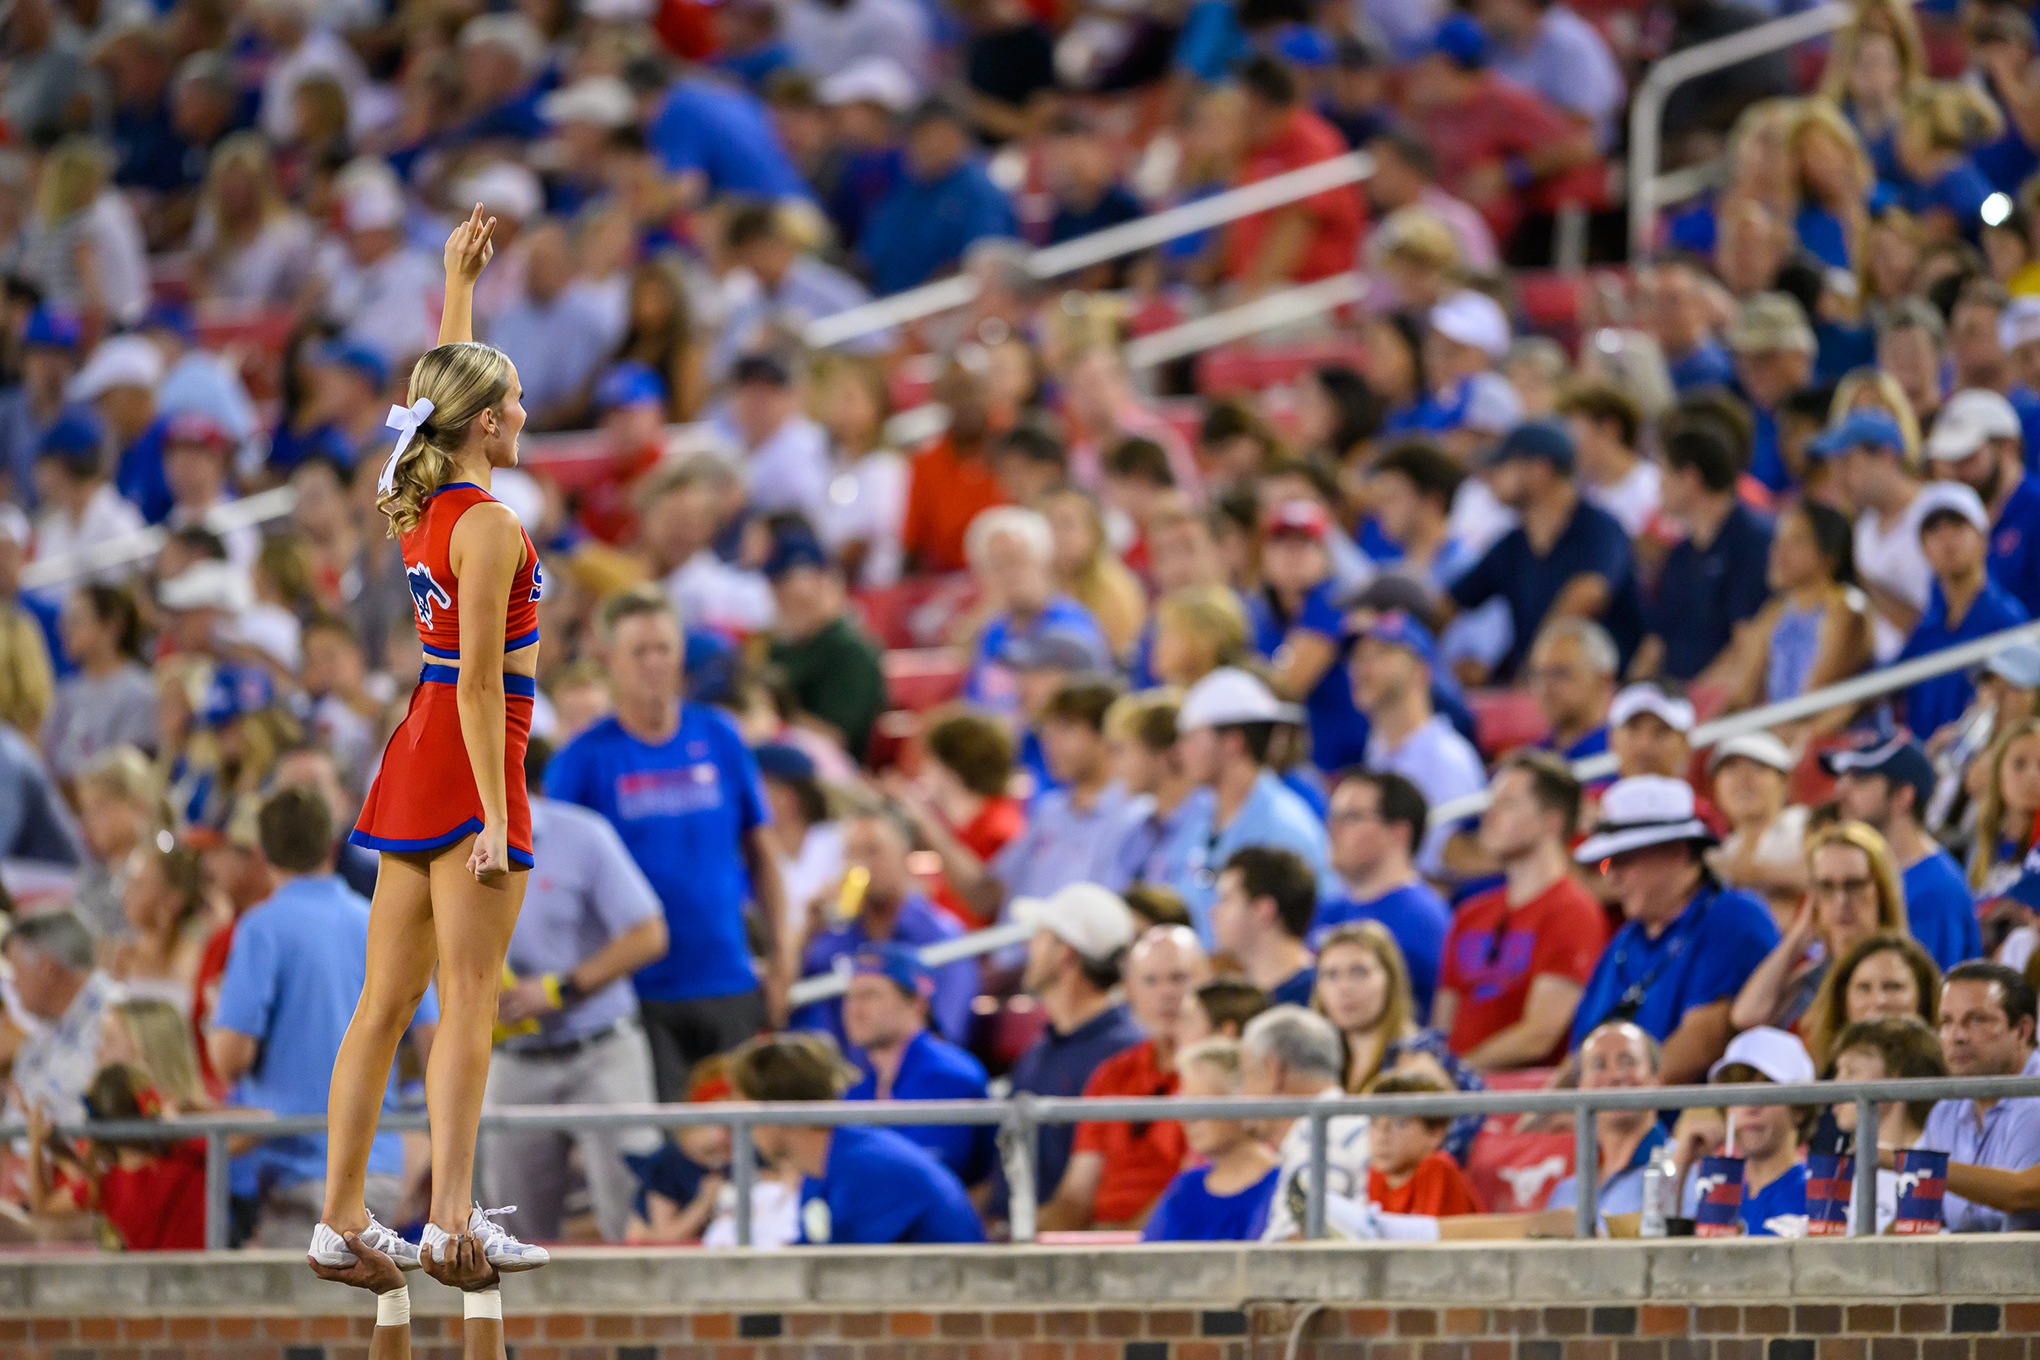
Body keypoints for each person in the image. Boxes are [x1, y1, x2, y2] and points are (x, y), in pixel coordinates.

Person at [311, 207, 550, 1274]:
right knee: (470, 998)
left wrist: (456, 285)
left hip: (411, 746)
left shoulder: (413, 495)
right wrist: (499, 814)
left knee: (383, 1003)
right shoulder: (492, 526)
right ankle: (451, 1214)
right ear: (490, 424)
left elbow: (430, 402)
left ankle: (341, 1213)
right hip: (470, 743)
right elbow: (485, 682)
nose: (527, 409)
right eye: (512, 402)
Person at [545, 586, 790, 1101]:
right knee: (665, 1154)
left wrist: (782, 960)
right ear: (608, 658)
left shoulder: (719, 736)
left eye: (665, 649)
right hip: (636, 993)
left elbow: (762, 854)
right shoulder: (583, 760)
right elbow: (558, 876)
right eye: (640, 652)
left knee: (741, 1143)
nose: (655, 664)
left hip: (727, 976)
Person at [210, 788, 438, 1250]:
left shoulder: (262, 926)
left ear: (262, 854)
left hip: (294, 1170)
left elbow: (230, 1057)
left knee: (302, 1321)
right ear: (332, 846)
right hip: (380, 1168)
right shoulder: (375, 920)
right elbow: (435, 1041)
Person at [481, 742, 671, 1244]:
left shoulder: (582, 836)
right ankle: (515, 1326)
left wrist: (562, 987)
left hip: (601, 1050)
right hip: (511, 1058)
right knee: (507, 1236)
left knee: (635, 1219)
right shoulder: (450, 846)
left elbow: (649, 933)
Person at [1569, 776, 1783, 1083]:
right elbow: (1583, 1050)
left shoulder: (1734, 918)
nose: (1611, 878)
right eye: (1605, 864)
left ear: (1678, 852)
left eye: (1623, 861)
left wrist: (1600, 1107)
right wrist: (1545, 1107)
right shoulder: (1627, 939)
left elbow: (1704, 1040)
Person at [1434, 751, 1607, 1069]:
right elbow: (1442, 1029)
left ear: (1550, 823)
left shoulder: (1573, 911)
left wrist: (1452, 1076)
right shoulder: (1469, 913)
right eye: (1491, 804)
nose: (1489, 816)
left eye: (1507, 804)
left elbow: (1539, 1036)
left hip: (1519, 1099)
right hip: (1457, 1096)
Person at [731, 1032, 985, 1244]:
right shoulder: (822, 1167)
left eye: (745, 1107)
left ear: (777, 1111)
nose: (743, 1128)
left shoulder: (868, 1167)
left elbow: (844, 1279)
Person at [1444, 419, 1646, 682]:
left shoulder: (1599, 528)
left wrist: (1531, 679)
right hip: (1540, 693)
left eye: (1504, 464)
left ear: (1540, 469)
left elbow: (1586, 595)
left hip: (1602, 693)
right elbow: (1447, 605)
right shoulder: (1513, 544)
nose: (1491, 476)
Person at [1043, 925, 1210, 1230]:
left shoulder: (1218, 1080)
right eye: (1150, 981)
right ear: (1130, 989)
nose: (1166, 993)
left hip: (1173, 1241)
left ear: (1205, 982)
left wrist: (1124, 1248)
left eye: (1179, 978)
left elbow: (1193, 1186)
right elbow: (1077, 1190)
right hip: (1103, 1240)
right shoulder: (1112, 1074)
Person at [1003, 883, 1146, 1217]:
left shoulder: (1124, 1055)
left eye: (1040, 937)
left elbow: (1091, 1195)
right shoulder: (1042, 1046)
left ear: (1064, 951)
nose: (1029, 947)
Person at [1161, 667, 1335, 938]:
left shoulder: (1284, 827)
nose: (1180, 751)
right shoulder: (1197, 816)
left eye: (1191, 738)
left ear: (1233, 742)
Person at [796, 808, 977, 1049]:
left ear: (905, 855)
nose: (859, 865)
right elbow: (788, 1004)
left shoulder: (941, 936)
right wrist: (808, 928)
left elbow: (949, 1033)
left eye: (873, 851)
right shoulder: (836, 937)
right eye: (851, 854)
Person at [1731, 821, 1911, 1044]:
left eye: (1853, 885)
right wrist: (1800, 932)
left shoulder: (1905, 973)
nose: (1841, 901)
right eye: (1826, 887)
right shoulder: (1812, 978)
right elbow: (1746, 1016)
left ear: (1882, 890)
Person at [841, 943, 995, 1187]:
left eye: (870, 995)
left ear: (917, 1003)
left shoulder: (948, 1076)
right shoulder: (861, 1086)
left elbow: (925, 1182)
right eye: (850, 997)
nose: (854, 1009)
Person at [1826, 737, 1985, 970]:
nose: (1842, 793)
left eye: (1860, 780)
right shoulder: (1886, 873)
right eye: (1844, 780)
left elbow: (1927, 993)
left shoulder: (1936, 891)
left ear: (1903, 796)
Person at [1639, 424, 1775, 685]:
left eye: (1664, 474)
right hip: (1675, 704)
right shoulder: (1679, 556)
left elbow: (1747, 648)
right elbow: (1655, 643)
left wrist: (1694, 703)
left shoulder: (1753, 542)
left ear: (1690, 478)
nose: (1658, 488)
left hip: (1721, 709)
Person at [1898, 480, 2029, 741]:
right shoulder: (1925, 632)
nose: (1946, 538)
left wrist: (1959, 739)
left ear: (1982, 537)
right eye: (1934, 530)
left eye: (1957, 525)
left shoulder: (2008, 619)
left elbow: (2016, 712)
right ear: (1923, 548)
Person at [1314, 770, 1451, 1020]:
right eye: (1332, 817)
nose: (1333, 830)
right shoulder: (1326, 910)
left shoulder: (1423, 919)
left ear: (1398, 832)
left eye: (1351, 817)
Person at [1918, 961, 2040, 1231]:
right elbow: (1921, 1217)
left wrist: (1909, 1163)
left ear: (2022, 1030)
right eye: (1947, 1022)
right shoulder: (1944, 1111)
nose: (1957, 1036)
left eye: (1976, 1020)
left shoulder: (2035, 1101)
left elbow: (2020, 1195)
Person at [1238, 1005, 1374, 1240]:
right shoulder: (1344, 1124)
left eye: (1246, 1074)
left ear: (1274, 1071)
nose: (1241, 1093)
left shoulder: (1320, 1135)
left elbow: (1300, 1248)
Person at [762, 522, 888, 761]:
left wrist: (774, 716)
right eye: (774, 585)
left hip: (832, 774)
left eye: (783, 585)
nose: (778, 598)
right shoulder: (782, 646)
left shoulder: (850, 651)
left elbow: (836, 738)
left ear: (822, 581)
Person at [1816, 406, 1931, 662]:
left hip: (1936, 667)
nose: (1840, 478)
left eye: (1849, 463)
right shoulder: (1863, 530)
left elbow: (1941, 624)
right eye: (1835, 467)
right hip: (1886, 677)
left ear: (1887, 457)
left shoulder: (1940, 509)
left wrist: (1864, 582)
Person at [1676, 1027, 1814, 1237]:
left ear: (1799, 1109)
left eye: (1767, 1090)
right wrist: (1682, 1162)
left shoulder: (1817, 1195)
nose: (1750, 1106)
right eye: (1738, 1091)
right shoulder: (1720, 1196)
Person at [1140, 1039, 1284, 1241]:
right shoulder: (1186, 1186)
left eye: (1202, 1104)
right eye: (1184, 1104)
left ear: (1243, 1101)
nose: (1189, 1119)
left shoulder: (1281, 1184)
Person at [1926, 387, 2040, 618]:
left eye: (1967, 456)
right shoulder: (1951, 522)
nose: (1956, 471)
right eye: (1949, 460)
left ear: (2007, 446)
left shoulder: (2035, 510)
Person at [2, 911, 124, 1125]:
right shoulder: (42, 1034)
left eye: (17, 971)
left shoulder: (118, 1020)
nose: (13, 984)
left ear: (47, 968)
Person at [1829, 1014, 1947, 1235]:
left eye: (1851, 1072)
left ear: (1896, 1076)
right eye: (1838, 1071)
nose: (1837, 1085)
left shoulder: (1935, 1156)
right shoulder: (1845, 1165)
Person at [1544, 1021, 1669, 1220]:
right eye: (1599, 1065)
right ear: (1581, 1086)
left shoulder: (1683, 1167)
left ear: (1657, 1079)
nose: (1614, 1076)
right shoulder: (1565, 1192)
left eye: (1628, 1062)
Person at [41, 582, 157, 781]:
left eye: (76, 620)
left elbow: (125, 778)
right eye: (65, 621)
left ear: (112, 625)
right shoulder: (66, 691)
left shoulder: (140, 692)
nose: (64, 629)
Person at [1706, 732, 1810, 926]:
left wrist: (1747, 873)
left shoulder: (1804, 823)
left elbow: (1820, 875)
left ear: (1785, 781)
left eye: (1758, 766)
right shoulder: (1720, 848)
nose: (1743, 779)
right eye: (1730, 768)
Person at [1313, 921, 1421, 1093]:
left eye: (1359, 972)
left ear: (1390, 979)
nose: (1344, 987)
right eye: (1331, 975)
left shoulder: (1418, 1065)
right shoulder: (1315, 1067)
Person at [1213, 847, 1321, 1007]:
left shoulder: (1318, 995)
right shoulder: (1235, 1000)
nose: (1213, 913)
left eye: (1225, 899)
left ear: (1264, 911)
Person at [1365, 1071, 1483, 1215]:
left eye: (1399, 1124)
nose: (1381, 1137)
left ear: (1435, 1134)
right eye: (1374, 1123)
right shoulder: (1377, 1172)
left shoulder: (1437, 1167)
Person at [1526, 618, 1617, 774]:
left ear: (1603, 680)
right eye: (1538, 675)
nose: (1544, 688)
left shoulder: (1624, 759)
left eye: (1560, 673)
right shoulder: (1530, 761)